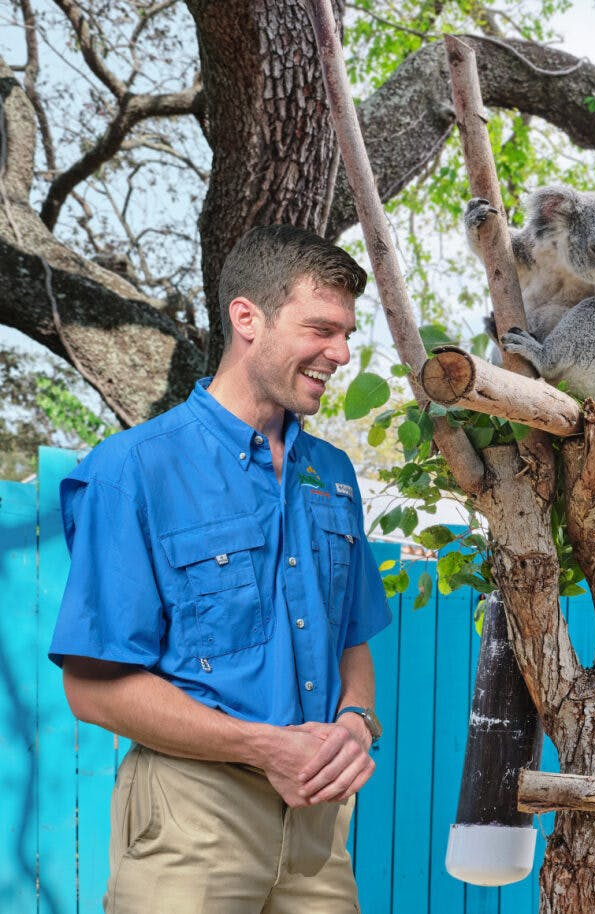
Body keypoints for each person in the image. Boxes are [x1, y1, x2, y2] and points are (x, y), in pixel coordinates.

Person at [49, 225, 392, 913]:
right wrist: (265, 747)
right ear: (247, 319)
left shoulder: (334, 474)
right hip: (191, 812)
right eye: (321, 329)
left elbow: (350, 638)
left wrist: (356, 724)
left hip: (319, 828)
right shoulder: (133, 471)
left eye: (347, 333)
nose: (342, 353)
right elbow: (93, 692)